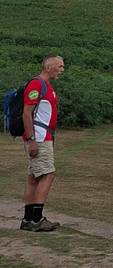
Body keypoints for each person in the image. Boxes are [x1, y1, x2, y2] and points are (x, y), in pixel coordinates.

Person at [21, 55, 65, 232]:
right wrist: (32, 140)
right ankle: (37, 219)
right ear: (48, 67)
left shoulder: (45, 86)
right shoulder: (37, 84)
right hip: (39, 137)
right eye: (59, 66)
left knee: (34, 177)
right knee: (48, 174)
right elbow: (26, 114)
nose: (62, 70)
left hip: (41, 136)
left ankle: (28, 219)